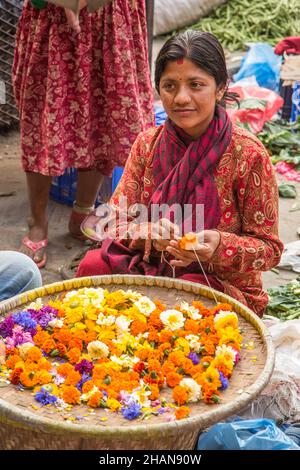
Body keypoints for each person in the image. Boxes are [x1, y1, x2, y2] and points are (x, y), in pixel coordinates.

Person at [76, 30, 283, 317]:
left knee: (187, 305)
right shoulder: (148, 144)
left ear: (221, 87)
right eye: (170, 85)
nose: (181, 98)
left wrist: (219, 245)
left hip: (216, 282)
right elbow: (104, 224)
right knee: (91, 268)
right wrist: (146, 232)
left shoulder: (248, 155)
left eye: (196, 85)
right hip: (149, 265)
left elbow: (270, 249)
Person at [12, 0, 153, 268]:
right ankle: (38, 220)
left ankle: (83, 211)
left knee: (102, 117)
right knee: (45, 122)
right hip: (52, 20)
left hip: (110, 17)